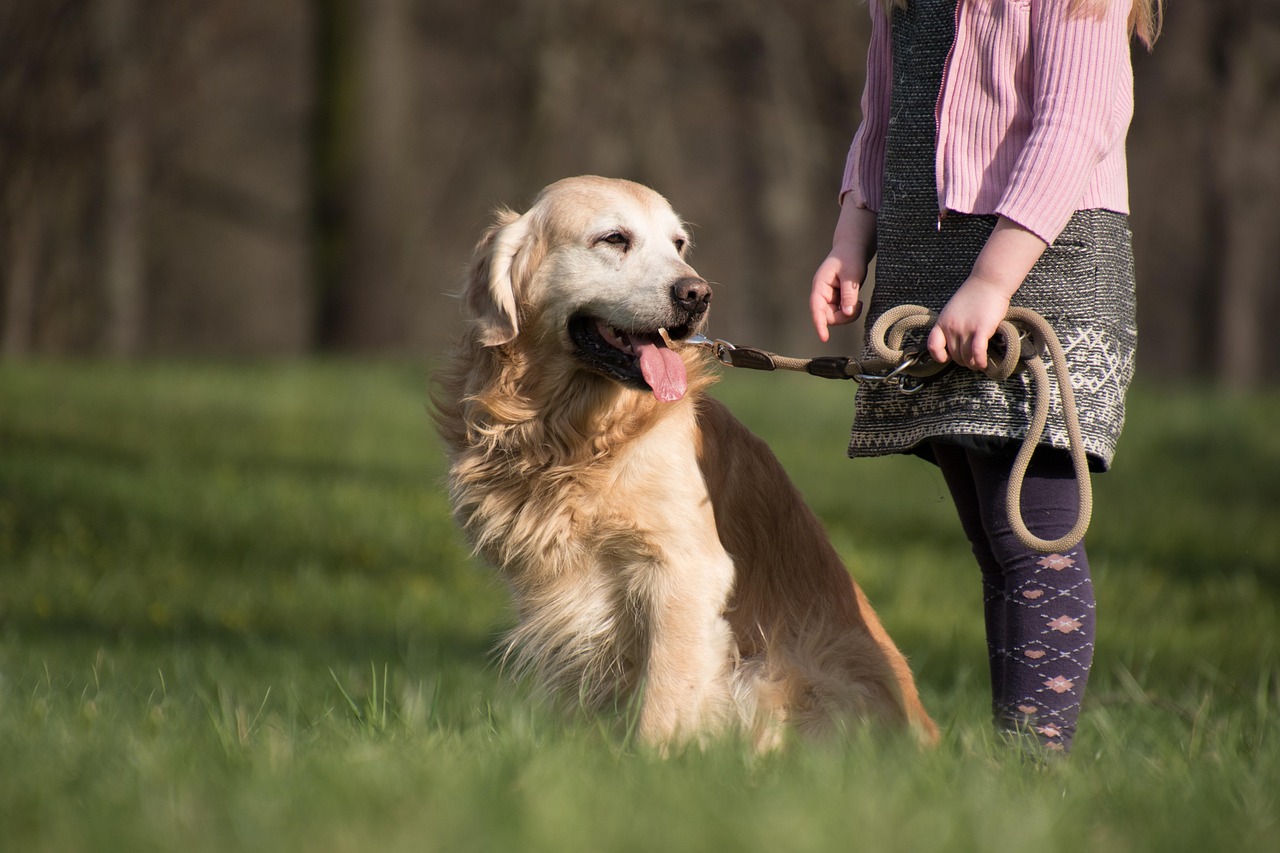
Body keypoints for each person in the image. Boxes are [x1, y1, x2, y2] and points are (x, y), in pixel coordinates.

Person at [809, 0, 1161, 755]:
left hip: (1041, 264)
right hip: (932, 264)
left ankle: (1035, 768)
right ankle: (1014, 763)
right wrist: (849, 240)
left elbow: (1077, 124)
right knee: (995, 539)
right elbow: (882, 120)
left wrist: (993, 281)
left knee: (1032, 535)